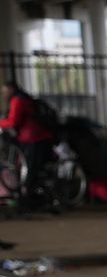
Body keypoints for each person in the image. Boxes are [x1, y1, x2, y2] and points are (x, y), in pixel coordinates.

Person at [3, 80, 55, 208]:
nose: (3, 94)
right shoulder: (24, 97)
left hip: (34, 138)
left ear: (10, 89)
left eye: (4, 91)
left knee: (31, 168)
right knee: (33, 167)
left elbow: (13, 121)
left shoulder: (18, 100)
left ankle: (27, 196)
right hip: (36, 137)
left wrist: (1, 123)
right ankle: (30, 194)